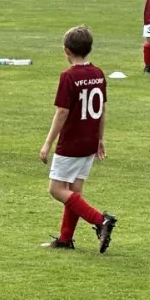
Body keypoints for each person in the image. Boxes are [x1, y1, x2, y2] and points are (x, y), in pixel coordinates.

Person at [39, 25, 118, 252]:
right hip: (89, 140)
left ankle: (100, 220)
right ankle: (65, 239)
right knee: (74, 191)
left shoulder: (69, 76)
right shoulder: (98, 74)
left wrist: (48, 143)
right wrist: (100, 139)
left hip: (71, 142)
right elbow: (102, 109)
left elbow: (62, 112)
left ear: (66, 50)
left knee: (56, 189)